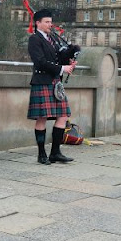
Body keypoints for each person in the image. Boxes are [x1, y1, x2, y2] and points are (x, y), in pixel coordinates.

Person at [27, 9, 76, 165]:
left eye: (50, 22)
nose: (50, 25)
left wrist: (68, 62)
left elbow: (56, 58)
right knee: (41, 118)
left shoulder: (53, 40)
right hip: (42, 81)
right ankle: (42, 154)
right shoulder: (34, 39)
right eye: (47, 22)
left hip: (55, 82)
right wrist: (62, 69)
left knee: (63, 116)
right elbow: (40, 62)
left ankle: (55, 152)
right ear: (38, 23)